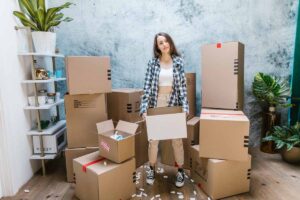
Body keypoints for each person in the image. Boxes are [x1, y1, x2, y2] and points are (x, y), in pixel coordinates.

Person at [140, 32, 189, 187]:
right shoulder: (152, 64)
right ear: (157, 47)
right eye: (161, 42)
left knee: (177, 139)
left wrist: (185, 108)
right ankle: (152, 168)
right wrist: (144, 109)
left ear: (170, 43)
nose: (164, 44)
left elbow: (182, 88)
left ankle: (180, 170)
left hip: (174, 102)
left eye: (166, 41)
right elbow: (147, 88)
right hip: (157, 102)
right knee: (153, 140)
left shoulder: (179, 62)